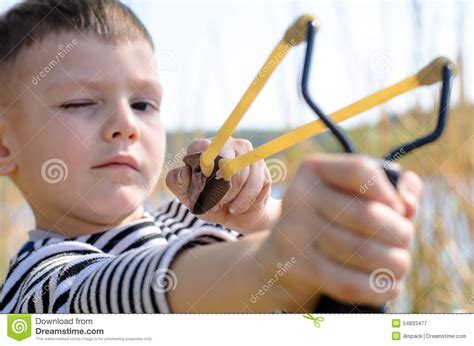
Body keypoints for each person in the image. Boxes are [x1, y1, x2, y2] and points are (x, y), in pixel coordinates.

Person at [0, 0, 422, 313]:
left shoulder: (192, 216)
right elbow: (122, 293)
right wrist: (277, 261)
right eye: (79, 103)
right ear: (4, 147)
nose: (125, 123)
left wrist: (258, 214)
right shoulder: (37, 285)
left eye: (144, 104)